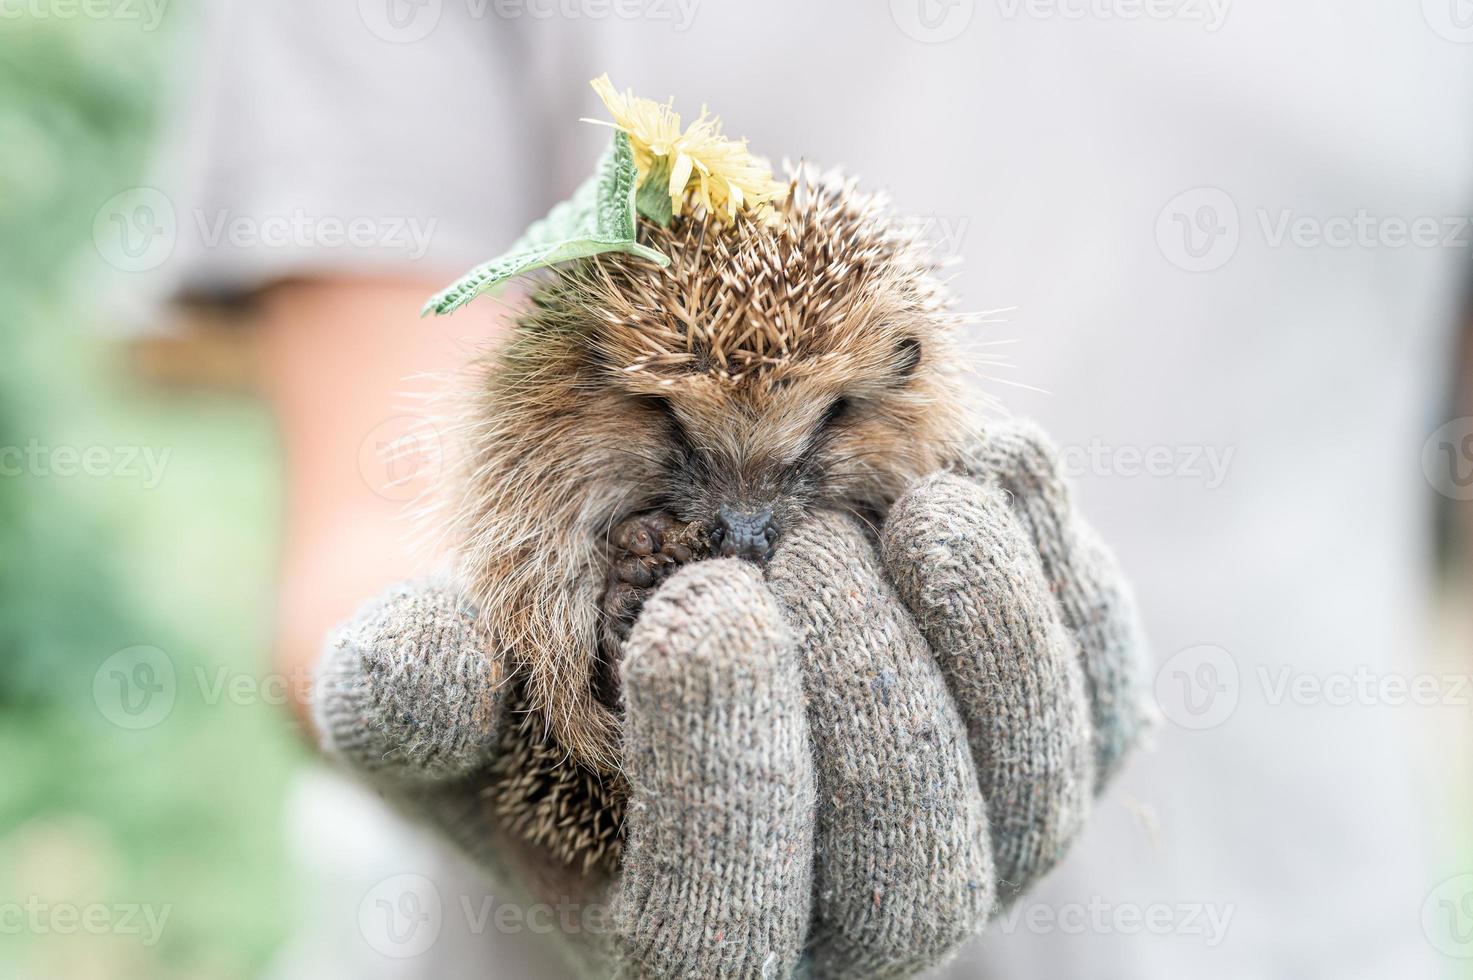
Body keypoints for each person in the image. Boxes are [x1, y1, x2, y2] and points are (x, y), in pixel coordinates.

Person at [154, 1, 1473, 976]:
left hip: (1293, 919)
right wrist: (506, 710)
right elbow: (381, 509)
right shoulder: (567, 382)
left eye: (804, 435)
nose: (741, 505)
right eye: (679, 423)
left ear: (889, 377)